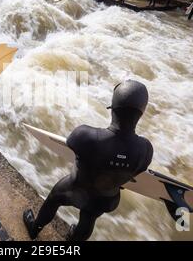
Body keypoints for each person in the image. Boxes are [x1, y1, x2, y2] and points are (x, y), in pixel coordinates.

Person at [23, 80, 153, 241]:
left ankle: (35, 229)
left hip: (75, 189)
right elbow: (137, 169)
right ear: (141, 113)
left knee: (53, 200)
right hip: (107, 200)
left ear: (112, 108)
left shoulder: (85, 135)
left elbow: (70, 142)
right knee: (89, 217)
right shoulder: (146, 150)